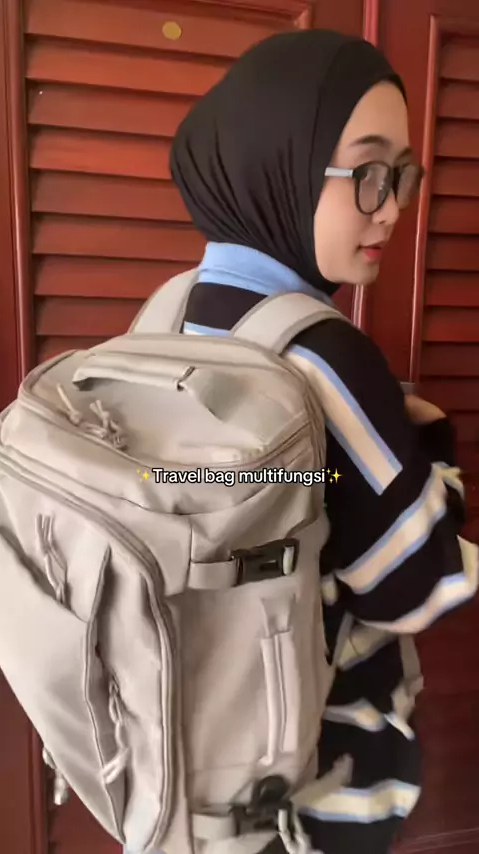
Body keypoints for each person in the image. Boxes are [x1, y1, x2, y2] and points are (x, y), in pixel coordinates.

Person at [168, 29, 478, 854]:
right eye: (368, 174)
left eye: (402, 175)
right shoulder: (323, 355)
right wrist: (433, 452)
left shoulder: (171, 313)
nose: (393, 207)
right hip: (309, 785)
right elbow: (416, 588)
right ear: (283, 160)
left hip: (181, 758)